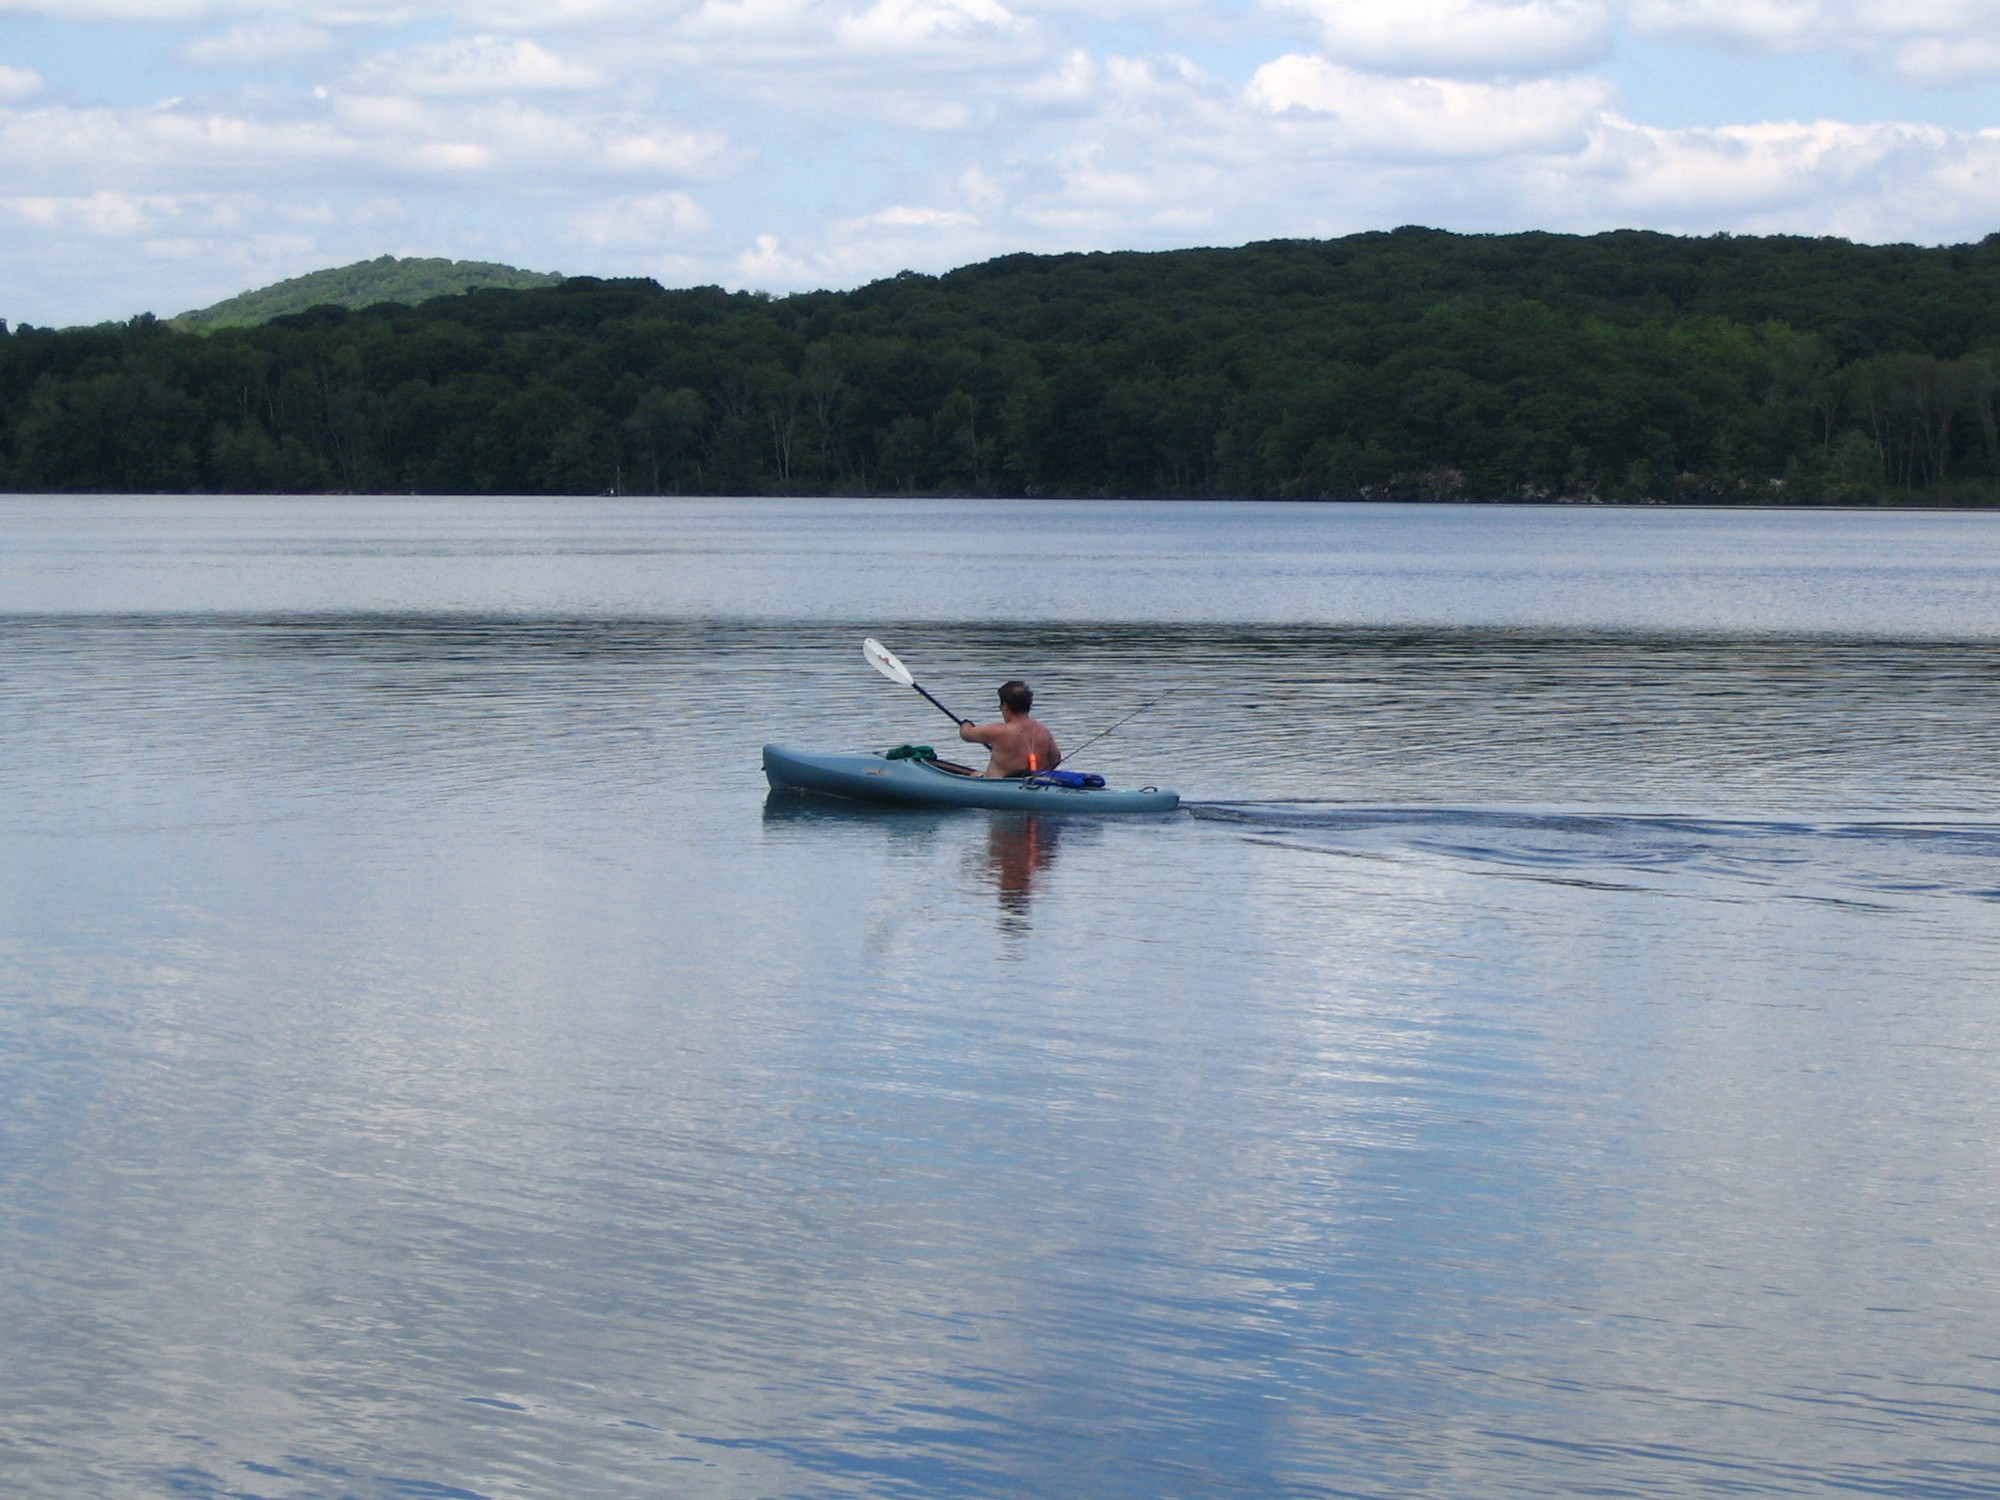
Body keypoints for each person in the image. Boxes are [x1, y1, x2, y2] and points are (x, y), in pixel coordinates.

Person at [958, 679, 1061, 778]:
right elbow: (1055, 758)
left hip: (999, 786)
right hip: (1032, 783)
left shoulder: (998, 731)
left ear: (1006, 707)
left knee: (975, 774)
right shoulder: (1042, 730)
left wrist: (966, 723)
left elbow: (966, 734)